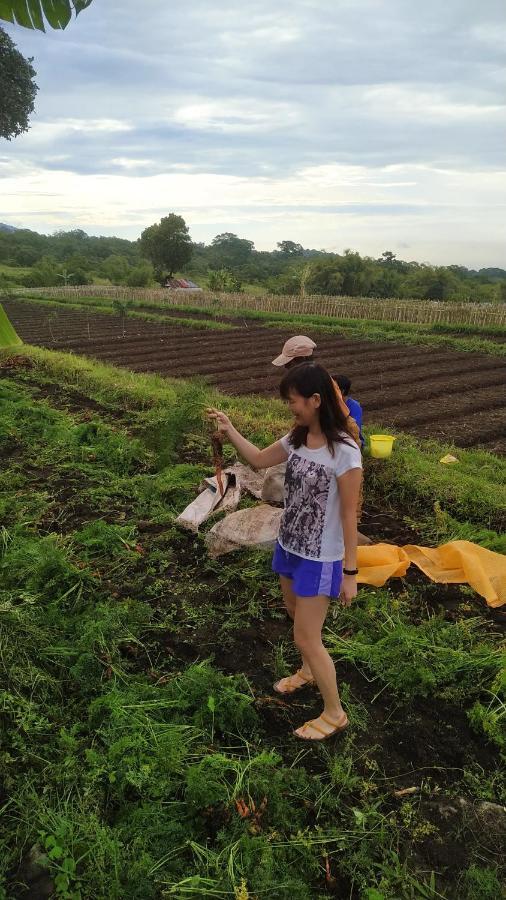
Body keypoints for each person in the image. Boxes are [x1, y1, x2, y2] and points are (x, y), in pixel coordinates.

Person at [208, 363, 362, 742]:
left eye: (293, 401)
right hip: (290, 545)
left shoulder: (345, 452)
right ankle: (308, 672)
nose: (289, 407)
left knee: (307, 637)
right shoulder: (297, 438)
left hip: (321, 556)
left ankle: (334, 712)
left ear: (315, 400)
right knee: (295, 615)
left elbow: (348, 513)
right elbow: (259, 460)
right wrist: (230, 432)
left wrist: (350, 572)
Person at [335, 374, 364, 448]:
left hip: (352, 442)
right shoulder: (330, 404)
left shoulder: (354, 407)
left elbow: (354, 431)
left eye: (333, 388)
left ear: (342, 391)